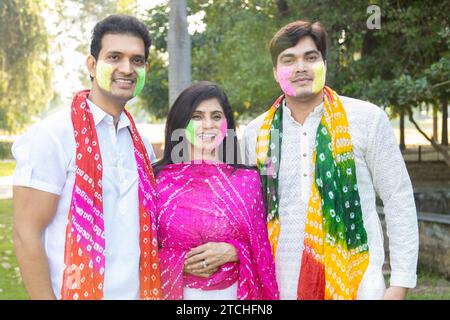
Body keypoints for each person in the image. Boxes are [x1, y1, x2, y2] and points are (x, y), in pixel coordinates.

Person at [241, 20, 419, 300]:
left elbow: (398, 199)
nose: (301, 67)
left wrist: (399, 284)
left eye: (310, 58)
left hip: (359, 287)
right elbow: (247, 214)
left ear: (324, 63)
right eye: (289, 60)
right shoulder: (255, 134)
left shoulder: (367, 119)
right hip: (276, 287)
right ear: (276, 72)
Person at [12, 15, 161, 300]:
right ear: (92, 65)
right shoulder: (54, 135)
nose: (126, 69)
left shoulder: (140, 144)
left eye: (137, 60)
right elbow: (26, 234)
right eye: (114, 57)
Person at [153, 81, 279, 300]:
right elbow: (138, 250)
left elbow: (266, 246)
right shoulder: (157, 181)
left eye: (216, 116)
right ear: (181, 123)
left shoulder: (249, 182)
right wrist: (179, 262)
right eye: (197, 116)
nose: (208, 124)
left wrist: (236, 252)